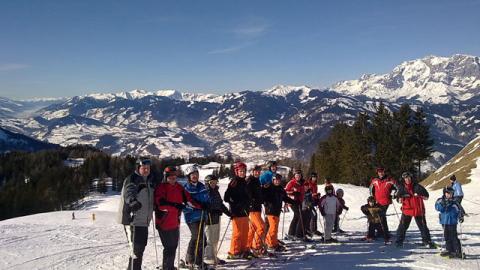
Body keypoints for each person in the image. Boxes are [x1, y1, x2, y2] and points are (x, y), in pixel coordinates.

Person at [154, 166, 198, 270]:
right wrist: (176, 206)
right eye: (170, 177)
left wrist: (202, 206)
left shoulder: (179, 187)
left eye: (174, 177)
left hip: (175, 222)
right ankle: (167, 267)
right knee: (169, 247)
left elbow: (189, 199)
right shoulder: (161, 188)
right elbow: (161, 205)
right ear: (166, 177)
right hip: (163, 223)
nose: (173, 179)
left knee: (173, 246)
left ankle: (169, 266)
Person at [117, 157, 155, 270]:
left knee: (140, 248)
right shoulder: (133, 179)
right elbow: (129, 192)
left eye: (148, 168)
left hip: (143, 220)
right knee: (136, 249)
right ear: (138, 168)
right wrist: (132, 201)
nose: (146, 170)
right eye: (144, 168)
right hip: (132, 219)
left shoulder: (148, 180)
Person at [395, 172, 435, 248]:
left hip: (418, 210)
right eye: (406, 178)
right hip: (407, 210)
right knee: (402, 226)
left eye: (409, 178)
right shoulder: (402, 187)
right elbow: (397, 198)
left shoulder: (417, 186)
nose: (407, 179)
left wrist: (420, 195)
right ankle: (399, 241)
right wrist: (400, 199)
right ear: (404, 179)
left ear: (411, 178)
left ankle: (427, 241)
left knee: (423, 227)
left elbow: (426, 196)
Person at [182, 164, 210, 268]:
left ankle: (198, 260)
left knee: (203, 239)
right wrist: (196, 207)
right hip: (192, 217)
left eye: (196, 174)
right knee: (197, 237)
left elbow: (207, 198)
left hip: (202, 216)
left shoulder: (202, 186)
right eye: (192, 174)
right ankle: (191, 260)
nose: (194, 176)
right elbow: (185, 205)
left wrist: (208, 204)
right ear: (188, 177)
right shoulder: (186, 188)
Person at [224, 161, 253, 259]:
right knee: (238, 233)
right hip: (236, 212)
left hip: (245, 211)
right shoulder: (234, 182)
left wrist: (248, 201)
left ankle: (243, 250)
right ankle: (234, 252)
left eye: (244, 171)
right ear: (237, 172)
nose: (242, 173)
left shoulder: (245, 182)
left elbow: (247, 196)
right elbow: (226, 197)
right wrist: (236, 203)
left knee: (245, 232)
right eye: (240, 171)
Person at [263, 174, 297, 252]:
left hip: (277, 211)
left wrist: (294, 202)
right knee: (273, 228)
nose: (277, 181)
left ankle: (274, 243)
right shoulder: (269, 188)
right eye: (276, 180)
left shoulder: (281, 189)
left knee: (275, 228)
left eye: (278, 180)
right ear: (273, 180)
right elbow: (263, 195)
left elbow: (285, 198)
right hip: (270, 211)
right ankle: (270, 243)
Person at [204, 174, 231, 266]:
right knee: (209, 239)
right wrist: (209, 210)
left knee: (215, 239)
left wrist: (228, 213)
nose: (214, 184)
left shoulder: (216, 192)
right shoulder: (205, 192)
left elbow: (220, 204)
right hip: (208, 219)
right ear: (207, 183)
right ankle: (208, 257)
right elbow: (203, 205)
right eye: (212, 182)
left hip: (216, 218)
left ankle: (214, 256)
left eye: (215, 182)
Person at [435, 186, 465, 259]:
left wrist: (461, 216)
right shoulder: (440, 200)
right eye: (448, 193)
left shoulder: (454, 202)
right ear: (444, 193)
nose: (449, 195)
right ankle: (449, 250)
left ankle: (458, 251)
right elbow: (437, 208)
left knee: (453, 237)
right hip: (444, 222)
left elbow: (460, 210)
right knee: (447, 237)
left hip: (452, 222)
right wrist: (443, 204)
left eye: (451, 193)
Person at [369, 167, 397, 241]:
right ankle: (381, 231)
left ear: (384, 172)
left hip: (385, 201)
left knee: (381, 216)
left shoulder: (389, 180)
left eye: (382, 172)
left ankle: (384, 233)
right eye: (379, 172)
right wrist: (372, 197)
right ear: (377, 173)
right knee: (377, 216)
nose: (380, 173)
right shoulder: (375, 180)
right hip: (377, 202)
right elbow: (370, 188)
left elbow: (397, 187)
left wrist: (394, 195)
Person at [246, 165, 266, 256]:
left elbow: (258, 193)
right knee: (261, 227)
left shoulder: (257, 181)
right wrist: (252, 201)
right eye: (256, 171)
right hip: (253, 208)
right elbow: (247, 193)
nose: (257, 173)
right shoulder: (250, 180)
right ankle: (256, 247)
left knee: (252, 228)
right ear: (253, 171)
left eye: (259, 171)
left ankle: (247, 246)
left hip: (257, 207)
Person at [285, 169, 310, 242]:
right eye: (296, 175)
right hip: (292, 202)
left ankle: (291, 233)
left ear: (301, 176)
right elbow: (285, 191)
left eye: (299, 175)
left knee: (296, 217)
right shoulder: (291, 182)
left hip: (299, 202)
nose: (298, 177)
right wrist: (293, 193)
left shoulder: (303, 182)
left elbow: (304, 191)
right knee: (300, 216)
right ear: (294, 176)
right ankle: (298, 235)